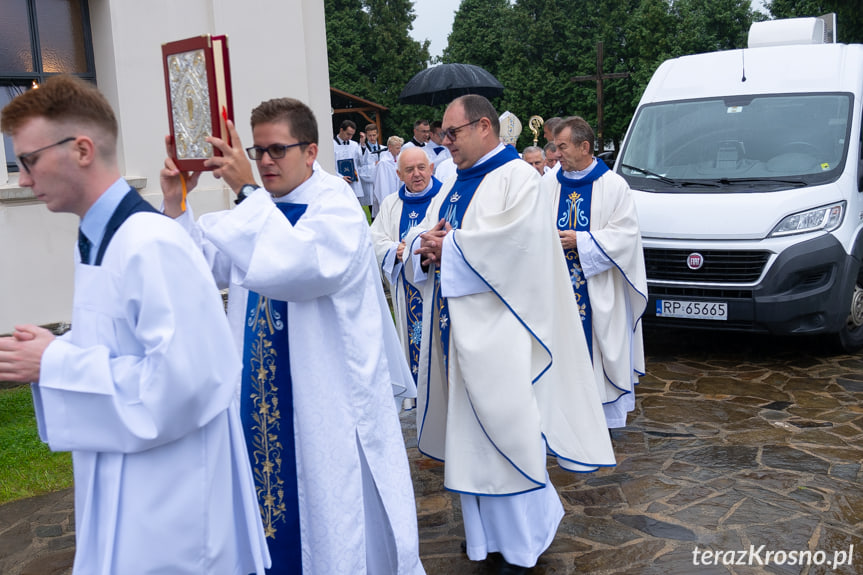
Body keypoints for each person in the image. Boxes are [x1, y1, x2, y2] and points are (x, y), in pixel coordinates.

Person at [0, 75, 270, 574]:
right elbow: (126, 347)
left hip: (171, 509)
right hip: (130, 483)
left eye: (29, 161)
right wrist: (54, 349)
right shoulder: (104, 237)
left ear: (81, 149)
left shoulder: (149, 243)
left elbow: (184, 384)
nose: (22, 179)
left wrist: (56, 361)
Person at [160, 98, 424, 574]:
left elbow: (300, 267)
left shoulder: (335, 207)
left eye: (276, 150)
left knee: (331, 523)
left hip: (324, 407)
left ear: (311, 151)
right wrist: (176, 201)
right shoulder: (259, 208)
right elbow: (196, 269)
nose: (263, 162)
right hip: (262, 403)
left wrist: (244, 190)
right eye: (258, 150)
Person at [402, 95, 615, 574]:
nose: (445, 143)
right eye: (442, 134)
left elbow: (517, 247)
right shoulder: (455, 180)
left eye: (452, 133)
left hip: (503, 335)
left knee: (507, 435)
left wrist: (448, 246)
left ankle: (522, 543)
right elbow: (426, 232)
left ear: (483, 127)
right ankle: (486, 540)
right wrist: (423, 244)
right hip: (459, 332)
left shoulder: (520, 178)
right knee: (471, 440)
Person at [542, 116, 647, 429]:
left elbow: (627, 235)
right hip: (556, 290)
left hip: (599, 289)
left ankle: (600, 421)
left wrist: (582, 241)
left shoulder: (613, 186)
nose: (556, 154)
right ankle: (561, 418)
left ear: (584, 146)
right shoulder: (547, 183)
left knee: (598, 351)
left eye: (562, 147)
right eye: (555, 147)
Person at [369, 147, 443, 399]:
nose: (417, 174)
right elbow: (374, 238)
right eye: (409, 170)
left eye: (421, 168)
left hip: (439, 283)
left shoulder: (444, 196)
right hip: (407, 289)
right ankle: (416, 396)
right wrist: (395, 250)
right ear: (399, 175)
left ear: (431, 168)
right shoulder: (391, 204)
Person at [333, 119, 365, 203]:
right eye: (348, 134)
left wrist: (362, 145)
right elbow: (330, 164)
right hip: (339, 181)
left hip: (353, 183)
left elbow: (360, 162)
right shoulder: (331, 144)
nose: (350, 137)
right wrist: (340, 177)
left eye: (352, 135)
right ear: (341, 130)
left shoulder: (354, 145)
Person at [372, 135, 403, 217]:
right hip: (387, 195)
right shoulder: (383, 163)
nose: (399, 150)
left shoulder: (398, 161)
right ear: (390, 147)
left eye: (400, 148)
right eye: (397, 148)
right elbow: (382, 185)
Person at [358, 123, 382, 211]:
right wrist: (373, 166)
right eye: (369, 136)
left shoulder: (383, 149)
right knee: (372, 210)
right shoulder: (362, 149)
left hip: (380, 182)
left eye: (374, 135)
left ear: (378, 135)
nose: (372, 138)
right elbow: (360, 165)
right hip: (369, 182)